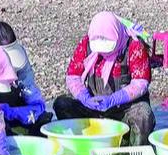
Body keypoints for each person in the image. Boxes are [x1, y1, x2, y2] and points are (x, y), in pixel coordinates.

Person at [54, 11, 155, 146]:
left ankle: (132, 149)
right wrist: (84, 97)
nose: (102, 52)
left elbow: (140, 83)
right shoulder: (87, 43)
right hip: (94, 107)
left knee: (143, 115)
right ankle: (82, 143)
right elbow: (73, 76)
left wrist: (113, 99)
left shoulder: (134, 46)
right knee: (62, 104)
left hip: (124, 110)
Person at [0, 15, 53, 134]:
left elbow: (29, 88)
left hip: (11, 103)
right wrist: (0, 110)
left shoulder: (19, 56)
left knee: (42, 119)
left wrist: (34, 107)